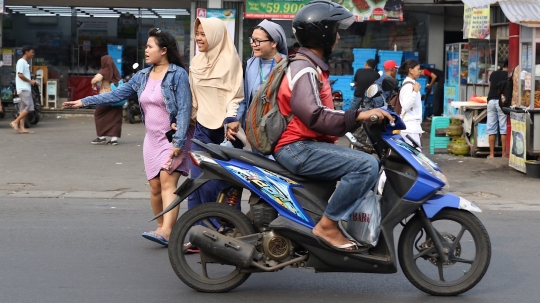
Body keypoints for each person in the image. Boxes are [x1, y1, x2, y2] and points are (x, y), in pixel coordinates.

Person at [271, 1, 393, 251]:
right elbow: (314, 115)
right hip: (297, 147)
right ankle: (327, 225)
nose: (338, 37)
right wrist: (358, 115)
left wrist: (357, 117)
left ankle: (332, 221)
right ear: (323, 34)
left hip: (304, 145)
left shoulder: (310, 65)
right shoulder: (304, 68)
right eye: (336, 31)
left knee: (363, 160)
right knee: (365, 165)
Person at [63, 28, 193, 246]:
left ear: (163, 50)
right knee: (154, 186)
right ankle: (161, 228)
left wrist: (179, 141)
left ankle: (168, 231)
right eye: (146, 46)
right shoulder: (142, 76)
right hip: (151, 139)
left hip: (172, 138)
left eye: (150, 46)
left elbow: (184, 109)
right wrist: (84, 101)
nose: (146, 50)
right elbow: (117, 94)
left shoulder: (177, 75)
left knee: (167, 182)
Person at [188, 17, 244, 210]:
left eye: (204, 34)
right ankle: (198, 232)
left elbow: (236, 94)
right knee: (196, 182)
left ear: (216, 36)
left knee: (221, 184)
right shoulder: (196, 62)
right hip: (202, 129)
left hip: (226, 131)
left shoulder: (230, 61)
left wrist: (231, 117)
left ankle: (226, 229)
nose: (199, 38)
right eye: (197, 34)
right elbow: (194, 97)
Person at [237, 19, 288, 129]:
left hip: (278, 128)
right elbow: (245, 98)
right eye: (252, 40)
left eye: (258, 41)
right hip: (254, 130)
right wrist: (235, 119)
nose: (253, 45)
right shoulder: (250, 65)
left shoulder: (287, 65)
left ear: (274, 43)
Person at [90, 55, 124, 145]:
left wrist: (93, 82)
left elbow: (96, 79)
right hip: (117, 97)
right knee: (116, 116)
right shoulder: (115, 71)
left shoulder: (104, 70)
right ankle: (114, 139)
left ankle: (101, 137)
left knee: (98, 114)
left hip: (106, 97)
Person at [11, 45, 38, 134]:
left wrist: (32, 81)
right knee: (30, 107)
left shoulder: (25, 63)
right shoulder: (21, 62)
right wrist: (30, 81)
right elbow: (20, 75)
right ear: (26, 52)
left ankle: (22, 128)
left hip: (25, 88)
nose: (33, 54)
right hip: (23, 89)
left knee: (23, 109)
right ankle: (15, 122)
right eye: (32, 52)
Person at [398, 59, 423, 147]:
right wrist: (415, 92)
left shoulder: (412, 84)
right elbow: (406, 106)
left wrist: (418, 128)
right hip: (409, 128)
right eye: (418, 69)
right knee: (414, 156)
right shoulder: (409, 86)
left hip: (412, 127)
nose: (420, 71)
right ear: (411, 70)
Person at [486, 60, 509, 158]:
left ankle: (491, 154)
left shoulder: (493, 73)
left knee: (491, 128)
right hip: (501, 102)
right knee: (503, 128)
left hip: (491, 101)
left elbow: (489, 87)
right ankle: (504, 154)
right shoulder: (508, 75)